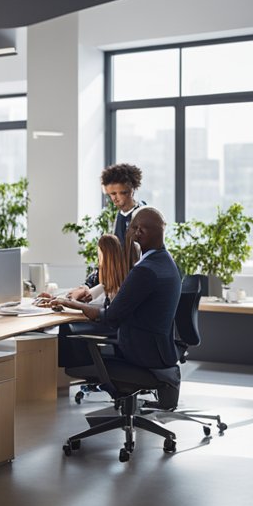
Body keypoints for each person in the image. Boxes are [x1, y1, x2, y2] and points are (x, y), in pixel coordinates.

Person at [49, 207, 182, 408]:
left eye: (131, 228)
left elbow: (111, 317)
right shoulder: (166, 261)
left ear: (140, 232)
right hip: (160, 350)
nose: (128, 233)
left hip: (140, 353)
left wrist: (70, 303)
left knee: (69, 333)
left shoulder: (144, 270)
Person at [60, 163, 147, 301]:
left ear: (133, 190)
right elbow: (110, 258)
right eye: (112, 194)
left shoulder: (143, 216)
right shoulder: (120, 216)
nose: (116, 198)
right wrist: (87, 285)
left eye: (123, 193)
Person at [53, 234, 137, 371]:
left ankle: (82, 366)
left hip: (111, 326)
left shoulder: (121, 282)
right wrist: (79, 293)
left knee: (66, 328)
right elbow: (89, 289)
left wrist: (73, 302)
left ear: (103, 254)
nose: (99, 260)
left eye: (100, 254)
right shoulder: (107, 279)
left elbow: (108, 311)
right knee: (66, 326)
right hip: (111, 325)